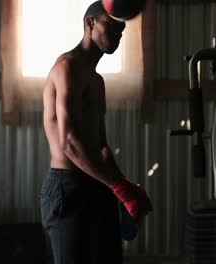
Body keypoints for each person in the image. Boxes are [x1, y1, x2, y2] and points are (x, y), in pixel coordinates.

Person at [40, 1, 153, 263]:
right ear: (90, 24)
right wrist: (119, 188)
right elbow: (68, 141)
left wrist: (124, 188)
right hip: (67, 187)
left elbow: (101, 147)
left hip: (98, 183)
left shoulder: (97, 81)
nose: (118, 35)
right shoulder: (67, 67)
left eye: (121, 30)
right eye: (111, 27)